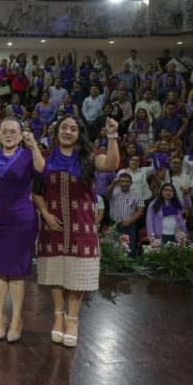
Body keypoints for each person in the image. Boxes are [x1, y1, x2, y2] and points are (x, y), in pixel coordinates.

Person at [33, 115, 120, 348]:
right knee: (55, 274)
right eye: (64, 127)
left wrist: (112, 136)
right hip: (52, 225)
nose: (68, 132)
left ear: (79, 134)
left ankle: (72, 320)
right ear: (57, 131)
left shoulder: (88, 158)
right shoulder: (46, 158)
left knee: (77, 275)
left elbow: (112, 164)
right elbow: (37, 191)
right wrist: (45, 213)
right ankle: (58, 316)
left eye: (73, 129)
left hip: (81, 225)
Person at [0, 118, 45, 343]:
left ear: (21, 134)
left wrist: (33, 146)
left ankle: (16, 320)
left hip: (22, 221)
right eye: (4, 131)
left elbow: (43, 172)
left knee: (16, 271)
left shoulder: (27, 155)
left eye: (13, 131)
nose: (8, 135)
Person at [106, 173, 145, 256]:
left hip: (130, 226)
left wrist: (129, 221)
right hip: (114, 225)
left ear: (131, 183)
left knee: (130, 249)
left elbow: (140, 210)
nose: (125, 183)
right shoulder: (113, 191)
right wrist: (113, 184)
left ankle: (129, 268)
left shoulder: (136, 194)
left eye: (127, 181)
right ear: (119, 182)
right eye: (122, 181)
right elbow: (107, 195)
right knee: (113, 248)